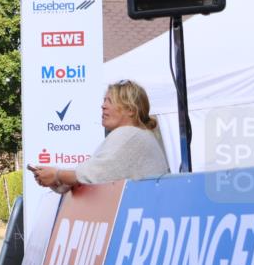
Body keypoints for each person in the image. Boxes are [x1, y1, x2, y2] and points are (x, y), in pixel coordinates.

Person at [31, 80, 169, 191]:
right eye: (104, 100)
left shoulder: (129, 134)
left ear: (130, 110)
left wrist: (56, 175)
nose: (103, 106)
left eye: (110, 101)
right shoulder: (138, 135)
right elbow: (93, 175)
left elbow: (91, 175)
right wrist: (55, 179)